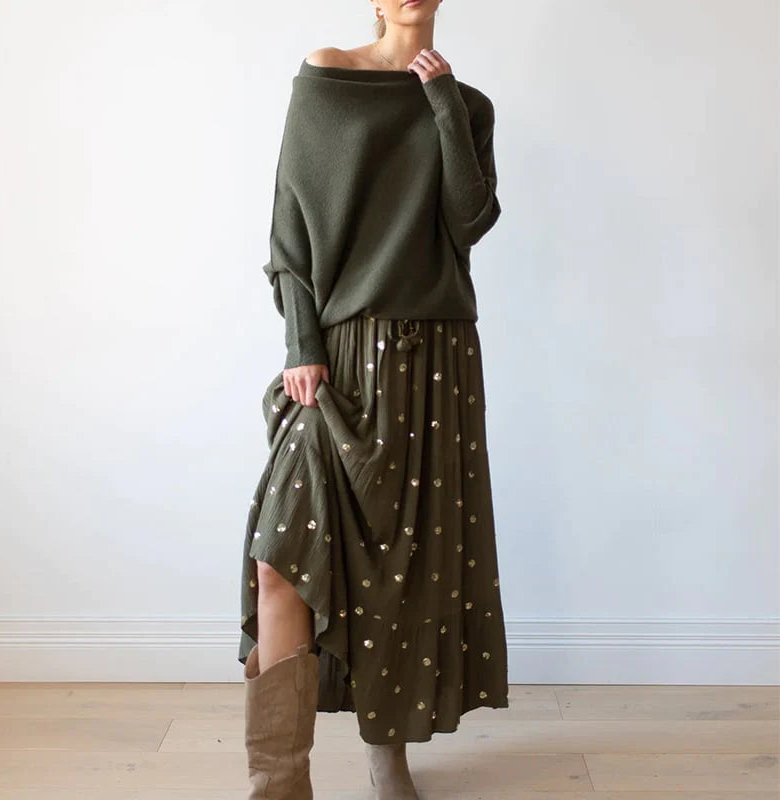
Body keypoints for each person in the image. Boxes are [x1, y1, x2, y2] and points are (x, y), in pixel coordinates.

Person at [238, 1, 508, 797]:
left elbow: (470, 220)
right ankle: (278, 785)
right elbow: (289, 226)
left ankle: (388, 753)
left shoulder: (467, 103)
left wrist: (443, 102)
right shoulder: (327, 76)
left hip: (437, 359)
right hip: (342, 356)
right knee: (280, 560)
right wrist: (303, 344)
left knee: (410, 566)